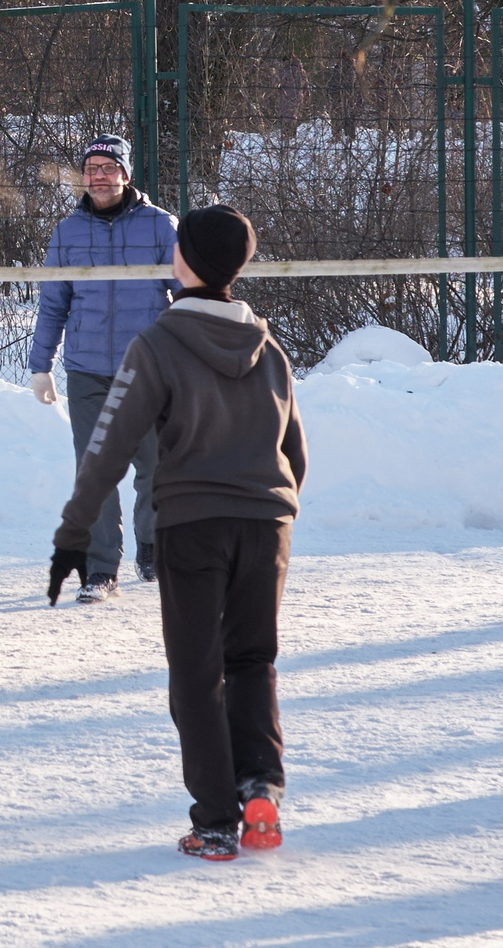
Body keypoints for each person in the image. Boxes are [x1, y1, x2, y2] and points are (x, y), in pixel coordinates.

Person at [49, 205, 304, 862]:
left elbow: (106, 445)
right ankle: (260, 787)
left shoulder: (158, 343)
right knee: (252, 660)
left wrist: (75, 530)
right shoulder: (268, 345)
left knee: (196, 671)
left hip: (194, 524)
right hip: (266, 523)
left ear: (184, 259)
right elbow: (294, 450)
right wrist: (274, 506)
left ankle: (216, 820)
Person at [29, 133, 177, 600]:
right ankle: (100, 570)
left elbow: (188, 291)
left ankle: (152, 546)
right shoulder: (67, 232)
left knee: (155, 464)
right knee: (95, 471)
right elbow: (53, 304)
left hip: (148, 368)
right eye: (90, 168)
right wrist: (41, 365)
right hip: (88, 369)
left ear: (126, 174)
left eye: (107, 168)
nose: (98, 176)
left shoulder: (160, 226)